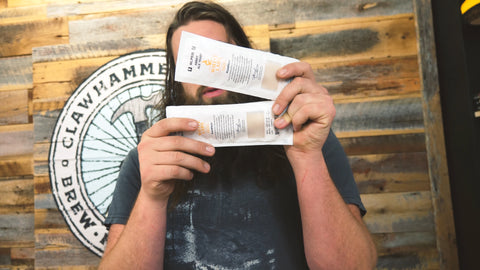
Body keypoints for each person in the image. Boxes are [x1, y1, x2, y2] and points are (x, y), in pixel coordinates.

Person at [99, 1, 377, 269]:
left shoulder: (309, 140)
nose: (207, 72)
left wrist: (307, 156)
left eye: (217, 54)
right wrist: (152, 196)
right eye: (191, 61)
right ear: (176, 80)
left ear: (245, 57)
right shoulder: (146, 161)